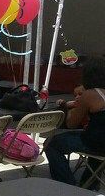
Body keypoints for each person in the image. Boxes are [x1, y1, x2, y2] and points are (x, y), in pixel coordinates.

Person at [45, 57, 105, 186]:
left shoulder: (89, 94)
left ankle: (66, 183)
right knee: (97, 147)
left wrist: (67, 107)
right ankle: (90, 184)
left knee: (51, 143)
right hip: (100, 143)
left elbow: (71, 124)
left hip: (96, 143)